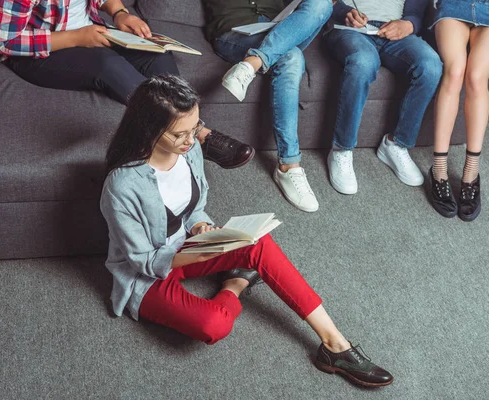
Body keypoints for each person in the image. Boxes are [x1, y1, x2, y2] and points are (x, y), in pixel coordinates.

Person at [100, 75, 393, 387]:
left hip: (189, 245)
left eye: (195, 128)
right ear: (150, 129)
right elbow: (143, 261)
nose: (191, 141)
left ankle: (335, 345)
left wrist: (201, 227)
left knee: (258, 241)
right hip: (148, 274)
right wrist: (205, 251)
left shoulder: (191, 151)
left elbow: (194, 208)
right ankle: (237, 282)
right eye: (179, 134)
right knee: (213, 325)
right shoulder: (122, 186)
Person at [0, 0, 253, 169]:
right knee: (107, 65)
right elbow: (5, 41)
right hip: (39, 53)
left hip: (92, 30)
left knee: (157, 53)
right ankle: (197, 134)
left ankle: (183, 130)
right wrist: (75, 38)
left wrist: (119, 13)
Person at [205, 0, 334, 212]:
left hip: (280, 29)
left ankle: (252, 63)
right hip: (234, 33)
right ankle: (289, 165)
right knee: (292, 57)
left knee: (322, 3)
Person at [323, 0, 442, 194]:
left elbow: (416, 10)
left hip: (394, 31)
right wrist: (344, 12)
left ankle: (396, 145)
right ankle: (341, 149)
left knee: (431, 66)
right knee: (363, 62)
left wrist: (409, 24)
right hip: (349, 29)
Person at [428, 0, 489, 221]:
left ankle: (471, 172)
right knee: (455, 71)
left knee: (477, 78)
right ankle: (439, 170)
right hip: (456, 4)